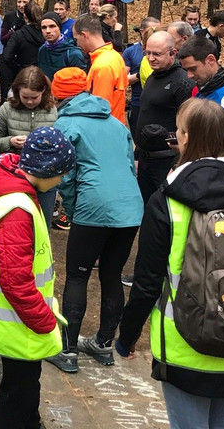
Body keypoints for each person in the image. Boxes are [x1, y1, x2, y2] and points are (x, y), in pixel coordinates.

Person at [116, 98, 224, 429]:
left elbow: (147, 281)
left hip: (183, 343)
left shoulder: (167, 200)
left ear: (184, 138)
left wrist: (126, 337)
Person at [0, 127, 75, 429]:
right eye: (60, 173)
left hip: (19, 320)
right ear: (45, 169)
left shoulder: (18, 193)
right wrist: (43, 320)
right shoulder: (18, 208)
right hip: (20, 322)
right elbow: (15, 280)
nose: (62, 180)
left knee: (26, 388)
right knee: (17, 393)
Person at [45, 67, 141, 373]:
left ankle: (69, 350)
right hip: (130, 206)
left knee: (77, 275)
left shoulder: (65, 124)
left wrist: (71, 209)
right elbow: (129, 163)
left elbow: (67, 176)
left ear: (57, 94)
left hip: (93, 205)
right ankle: (102, 344)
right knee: (111, 274)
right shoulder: (116, 122)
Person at [0, 66, 60, 223]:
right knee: (16, 225)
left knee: (42, 223)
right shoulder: (6, 110)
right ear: (17, 92)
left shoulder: (53, 111)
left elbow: (62, 146)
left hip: (45, 178)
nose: (29, 101)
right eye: (25, 97)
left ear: (43, 92)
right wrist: (10, 141)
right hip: (14, 176)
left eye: (34, 97)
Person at [134, 31, 194, 208]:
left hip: (166, 160)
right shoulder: (154, 76)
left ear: (173, 53)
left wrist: (176, 162)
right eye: (148, 53)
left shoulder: (182, 81)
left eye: (156, 54)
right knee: (146, 211)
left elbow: (188, 126)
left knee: (163, 212)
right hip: (145, 159)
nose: (151, 58)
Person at [178, 35, 224, 142]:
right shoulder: (199, 91)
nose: (189, 75)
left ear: (211, 60)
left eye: (193, 69)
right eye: (186, 70)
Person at [73, 13, 129, 126]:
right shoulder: (114, 56)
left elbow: (100, 108)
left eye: (76, 39)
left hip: (105, 130)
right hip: (116, 125)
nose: (77, 44)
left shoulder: (102, 66)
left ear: (84, 35)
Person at [124, 18, 160, 132]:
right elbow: (123, 79)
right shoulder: (131, 51)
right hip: (138, 103)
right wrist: (140, 75)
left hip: (160, 104)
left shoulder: (167, 52)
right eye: (152, 30)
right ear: (142, 31)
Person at [1, 2, 44, 99]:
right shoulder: (45, 33)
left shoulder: (18, 35)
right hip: (41, 73)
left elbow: (7, 56)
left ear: (25, 15)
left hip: (22, 72)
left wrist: (17, 66)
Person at [37, 10, 88, 82]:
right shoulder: (42, 50)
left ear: (59, 28)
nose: (47, 31)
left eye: (52, 26)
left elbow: (81, 82)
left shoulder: (73, 54)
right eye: (44, 27)